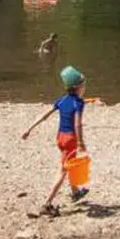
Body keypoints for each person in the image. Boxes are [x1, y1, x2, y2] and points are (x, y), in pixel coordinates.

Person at [21, 65, 90, 214]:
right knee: (63, 171)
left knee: (69, 164)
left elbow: (45, 115)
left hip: (60, 138)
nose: (85, 88)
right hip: (71, 139)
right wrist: (80, 142)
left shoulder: (62, 100)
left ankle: (75, 192)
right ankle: (47, 204)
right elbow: (78, 123)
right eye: (84, 85)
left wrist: (29, 129)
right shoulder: (78, 103)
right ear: (77, 87)